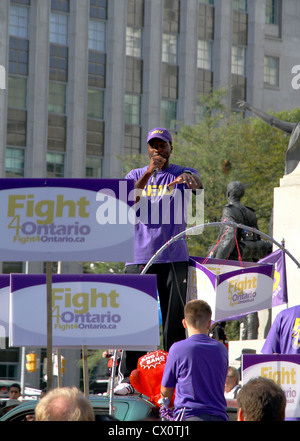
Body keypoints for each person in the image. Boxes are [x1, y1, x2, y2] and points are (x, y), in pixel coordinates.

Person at [116, 127, 202, 395]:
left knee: (174, 320)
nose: (158, 150)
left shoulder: (181, 171)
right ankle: (130, 378)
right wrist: (150, 172)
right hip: (139, 258)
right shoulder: (135, 175)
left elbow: (197, 184)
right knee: (135, 318)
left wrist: (188, 179)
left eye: (162, 145)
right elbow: (129, 198)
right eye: (153, 146)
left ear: (170, 148)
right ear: (148, 149)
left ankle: (174, 378)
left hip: (174, 258)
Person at [212, 181, 271, 340]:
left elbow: (229, 236)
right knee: (251, 302)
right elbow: (257, 236)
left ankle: (220, 340)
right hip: (250, 261)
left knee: (223, 303)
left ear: (228, 193)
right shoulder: (250, 212)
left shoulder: (228, 210)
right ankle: (251, 342)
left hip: (232, 262)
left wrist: (218, 263)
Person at [160, 299, 229, 421]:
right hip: (220, 415)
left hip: (189, 414)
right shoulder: (221, 349)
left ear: (184, 323)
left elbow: (166, 390)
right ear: (209, 324)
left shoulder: (177, 348)